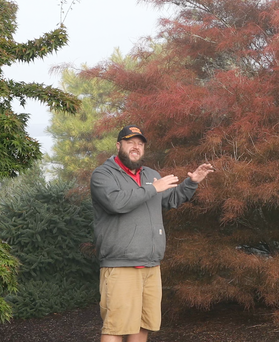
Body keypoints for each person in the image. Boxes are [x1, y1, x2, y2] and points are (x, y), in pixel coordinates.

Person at [90, 125, 214, 342]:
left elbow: (170, 199)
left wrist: (191, 183)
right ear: (119, 146)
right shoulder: (103, 174)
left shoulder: (151, 175)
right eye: (130, 142)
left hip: (151, 264)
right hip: (121, 265)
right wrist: (153, 188)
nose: (136, 147)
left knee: (143, 324)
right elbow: (116, 203)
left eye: (140, 144)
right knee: (116, 327)